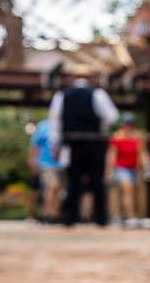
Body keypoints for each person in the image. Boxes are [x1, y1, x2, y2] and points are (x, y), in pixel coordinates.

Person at [48, 74, 116, 227]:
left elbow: (55, 122)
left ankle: (69, 218)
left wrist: (55, 145)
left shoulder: (62, 96)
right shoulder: (98, 94)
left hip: (73, 145)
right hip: (94, 144)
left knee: (73, 182)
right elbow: (111, 116)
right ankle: (100, 219)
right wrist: (99, 127)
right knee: (97, 180)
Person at [109, 118, 149, 225]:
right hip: (121, 168)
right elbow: (112, 154)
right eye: (126, 124)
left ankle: (139, 215)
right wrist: (110, 171)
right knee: (128, 188)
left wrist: (148, 168)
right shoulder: (117, 136)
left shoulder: (138, 136)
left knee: (138, 191)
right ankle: (130, 216)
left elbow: (143, 153)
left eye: (130, 124)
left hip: (135, 168)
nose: (128, 127)